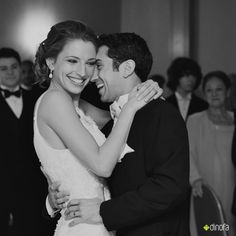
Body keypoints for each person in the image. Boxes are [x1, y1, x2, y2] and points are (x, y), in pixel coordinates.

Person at [49, 32, 190, 236]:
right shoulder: (110, 123)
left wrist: (104, 212)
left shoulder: (161, 115)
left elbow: (169, 188)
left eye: (99, 66)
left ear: (127, 68)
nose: (93, 76)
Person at [33, 20, 160, 236]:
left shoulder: (75, 105)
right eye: (72, 61)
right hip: (83, 226)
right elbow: (102, 165)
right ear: (52, 61)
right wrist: (131, 106)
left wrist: (143, 88)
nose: (82, 72)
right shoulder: (54, 101)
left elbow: (115, 117)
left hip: (98, 221)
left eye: (90, 63)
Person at [0, 48, 53, 235]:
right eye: (3, 68)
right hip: (3, 184)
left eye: (13, 67)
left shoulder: (36, 98)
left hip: (34, 183)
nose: (9, 72)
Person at [188, 71, 235, 235]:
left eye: (219, 89)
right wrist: (195, 179)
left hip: (232, 189)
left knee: (229, 227)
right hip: (205, 188)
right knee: (209, 228)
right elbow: (188, 153)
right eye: (209, 90)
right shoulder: (195, 120)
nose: (214, 94)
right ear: (203, 93)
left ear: (228, 92)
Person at [166, 57, 208, 121]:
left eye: (194, 75)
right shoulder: (166, 103)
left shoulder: (203, 105)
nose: (191, 79)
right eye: (186, 75)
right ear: (176, 76)